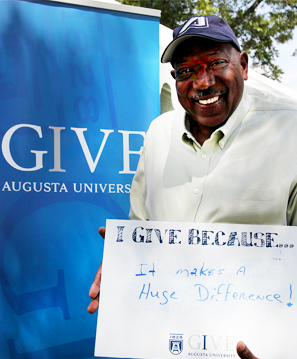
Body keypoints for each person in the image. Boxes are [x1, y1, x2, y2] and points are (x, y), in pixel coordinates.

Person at [88, 15, 297, 359]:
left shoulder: (288, 132)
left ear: (243, 65)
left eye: (215, 63)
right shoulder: (158, 133)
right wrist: (120, 264)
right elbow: (142, 229)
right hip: (164, 343)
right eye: (187, 70)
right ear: (175, 80)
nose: (202, 82)